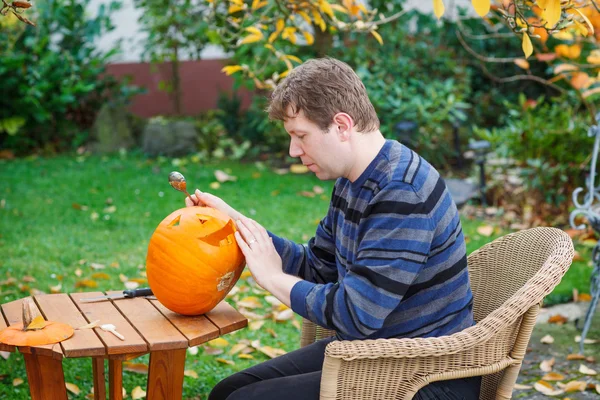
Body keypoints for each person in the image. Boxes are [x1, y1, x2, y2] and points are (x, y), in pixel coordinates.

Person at [186, 57, 481, 400]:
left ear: (341, 125)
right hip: (375, 354)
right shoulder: (354, 180)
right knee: (228, 391)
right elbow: (317, 267)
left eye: (301, 136)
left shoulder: (401, 191)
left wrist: (273, 279)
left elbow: (355, 315)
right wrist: (234, 224)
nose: (293, 150)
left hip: (426, 376)